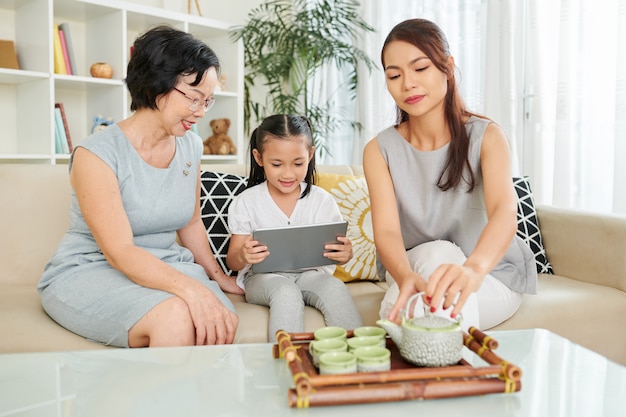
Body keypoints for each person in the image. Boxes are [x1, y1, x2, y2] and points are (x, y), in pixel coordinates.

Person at [38, 25, 242, 348]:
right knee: (177, 318)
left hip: (165, 265)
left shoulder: (191, 147)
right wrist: (190, 289)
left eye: (208, 101)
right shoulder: (96, 154)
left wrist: (217, 278)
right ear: (156, 84)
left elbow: (190, 221)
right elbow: (120, 252)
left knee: (218, 320)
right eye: (194, 98)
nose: (201, 112)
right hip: (92, 270)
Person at [363, 18, 537, 331]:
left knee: (425, 306)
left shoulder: (488, 137)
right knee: (438, 255)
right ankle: (464, 377)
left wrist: (472, 270)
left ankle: (404, 338)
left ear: (447, 67)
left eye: (420, 68)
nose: (408, 84)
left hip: (488, 277)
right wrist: (405, 278)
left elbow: (504, 213)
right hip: (411, 268)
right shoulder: (379, 150)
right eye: (394, 75)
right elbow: (387, 233)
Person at [226, 114, 363, 341]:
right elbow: (233, 260)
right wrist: (244, 254)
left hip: (310, 275)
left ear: (310, 155)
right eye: (277, 164)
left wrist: (344, 255)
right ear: (259, 158)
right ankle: (288, 366)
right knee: (285, 292)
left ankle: (360, 356)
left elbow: (336, 253)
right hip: (263, 279)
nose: (288, 174)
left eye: (298, 163)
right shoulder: (247, 201)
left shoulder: (322, 200)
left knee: (335, 288)